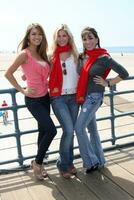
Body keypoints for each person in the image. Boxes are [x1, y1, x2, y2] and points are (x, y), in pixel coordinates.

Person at [5, 23, 57, 180]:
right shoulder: (24, 54)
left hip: (45, 97)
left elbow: (41, 72)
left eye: (40, 34)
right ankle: (37, 163)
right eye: (34, 34)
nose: (37, 37)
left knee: (43, 131)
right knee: (51, 130)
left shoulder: (43, 55)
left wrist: (27, 76)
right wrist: (23, 90)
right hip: (33, 100)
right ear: (28, 36)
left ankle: (38, 163)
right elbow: (8, 74)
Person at [75, 27, 129, 173]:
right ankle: (100, 159)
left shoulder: (103, 57)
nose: (88, 41)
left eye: (90, 38)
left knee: (79, 128)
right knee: (92, 129)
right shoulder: (82, 57)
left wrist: (108, 83)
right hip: (83, 97)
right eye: (84, 39)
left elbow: (124, 73)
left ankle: (91, 161)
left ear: (97, 39)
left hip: (94, 96)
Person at [49, 24, 79, 178]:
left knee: (71, 131)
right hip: (58, 97)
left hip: (74, 97)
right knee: (68, 130)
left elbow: (84, 73)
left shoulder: (75, 55)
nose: (61, 38)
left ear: (69, 37)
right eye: (59, 36)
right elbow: (41, 71)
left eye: (64, 35)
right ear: (55, 38)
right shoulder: (50, 56)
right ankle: (62, 164)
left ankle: (69, 162)